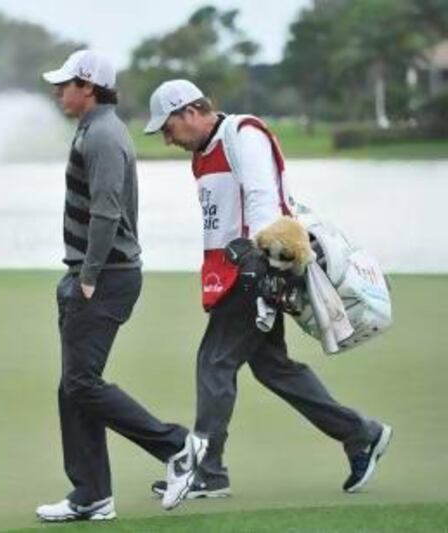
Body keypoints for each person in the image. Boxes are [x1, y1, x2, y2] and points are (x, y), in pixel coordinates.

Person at [143, 79, 392, 500]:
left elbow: (263, 200)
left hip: (255, 270)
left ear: (188, 112)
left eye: (168, 128)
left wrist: (263, 268)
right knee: (272, 367)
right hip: (232, 273)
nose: (167, 139)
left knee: (215, 361)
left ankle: (207, 470)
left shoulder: (243, 134)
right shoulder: (202, 154)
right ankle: (360, 433)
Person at [35, 52, 207, 522]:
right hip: (96, 275)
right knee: (73, 386)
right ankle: (91, 494)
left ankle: (177, 446)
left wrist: (87, 276)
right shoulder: (95, 129)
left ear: (87, 86)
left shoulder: (105, 135)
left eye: (64, 83)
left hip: (106, 277)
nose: (57, 92)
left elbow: (108, 211)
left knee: (80, 383)